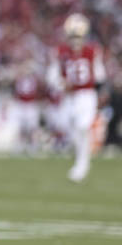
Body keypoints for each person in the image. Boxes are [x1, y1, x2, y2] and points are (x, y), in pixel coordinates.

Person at [48, 13, 107, 182]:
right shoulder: (60, 52)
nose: (75, 40)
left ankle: (83, 163)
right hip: (70, 96)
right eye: (73, 36)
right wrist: (61, 83)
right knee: (70, 128)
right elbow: (52, 76)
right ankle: (80, 159)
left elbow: (99, 74)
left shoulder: (92, 51)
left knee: (82, 126)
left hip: (87, 95)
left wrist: (102, 90)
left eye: (78, 36)